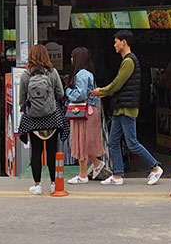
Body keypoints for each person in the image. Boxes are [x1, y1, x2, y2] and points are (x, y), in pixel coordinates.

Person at [90, 30, 163, 186]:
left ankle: (155, 167)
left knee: (132, 143)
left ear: (124, 42)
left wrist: (102, 91)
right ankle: (117, 175)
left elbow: (118, 83)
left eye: (116, 41)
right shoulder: (127, 60)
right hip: (120, 107)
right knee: (113, 141)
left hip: (127, 108)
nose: (114, 45)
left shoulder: (129, 61)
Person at [16, 44, 69, 195]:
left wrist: (26, 109)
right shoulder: (52, 73)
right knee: (52, 151)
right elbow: (60, 93)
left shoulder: (26, 75)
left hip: (33, 119)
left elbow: (21, 98)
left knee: (36, 152)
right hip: (52, 117)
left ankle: (37, 185)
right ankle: (53, 183)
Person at [64, 46, 107, 183]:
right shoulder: (88, 73)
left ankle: (83, 175)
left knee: (81, 141)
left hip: (82, 112)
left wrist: (68, 92)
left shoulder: (81, 74)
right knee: (85, 141)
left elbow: (80, 94)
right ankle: (96, 164)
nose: (71, 59)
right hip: (90, 110)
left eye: (73, 57)